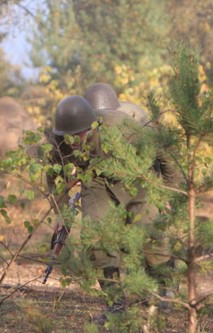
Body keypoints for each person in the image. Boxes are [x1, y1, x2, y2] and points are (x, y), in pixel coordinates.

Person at [46, 95, 179, 325]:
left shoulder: (122, 128)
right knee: (96, 234)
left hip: (136, 175)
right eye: (67, 138)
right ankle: (116, 304)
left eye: (78, 136)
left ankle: (164, 286)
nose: (73, 142)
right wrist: (60, 210)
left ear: (91, 126)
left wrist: (170, 192)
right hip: (96, 180)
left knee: (150, 233)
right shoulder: (60, 141)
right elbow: (54, 175)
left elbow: (163, 153)